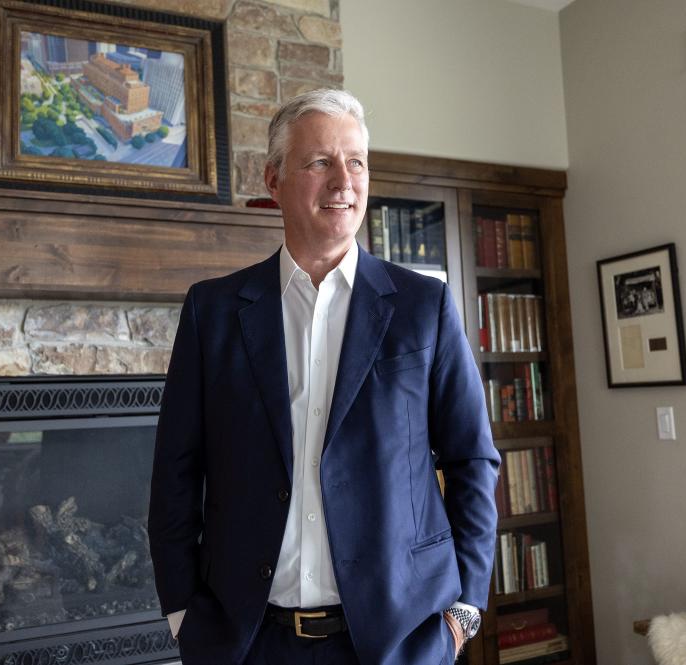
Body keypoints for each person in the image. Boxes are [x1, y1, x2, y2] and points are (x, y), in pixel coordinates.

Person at [148, 89, 500, 665]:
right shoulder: (211, 311)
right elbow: (175, 472)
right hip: (247, 642)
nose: (344, 182)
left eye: (355, 161)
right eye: (319, 162)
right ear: (274, 180)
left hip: (399, 638)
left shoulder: (423, 305)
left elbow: (471, 459)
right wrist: (182, 611)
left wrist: (463, 612)